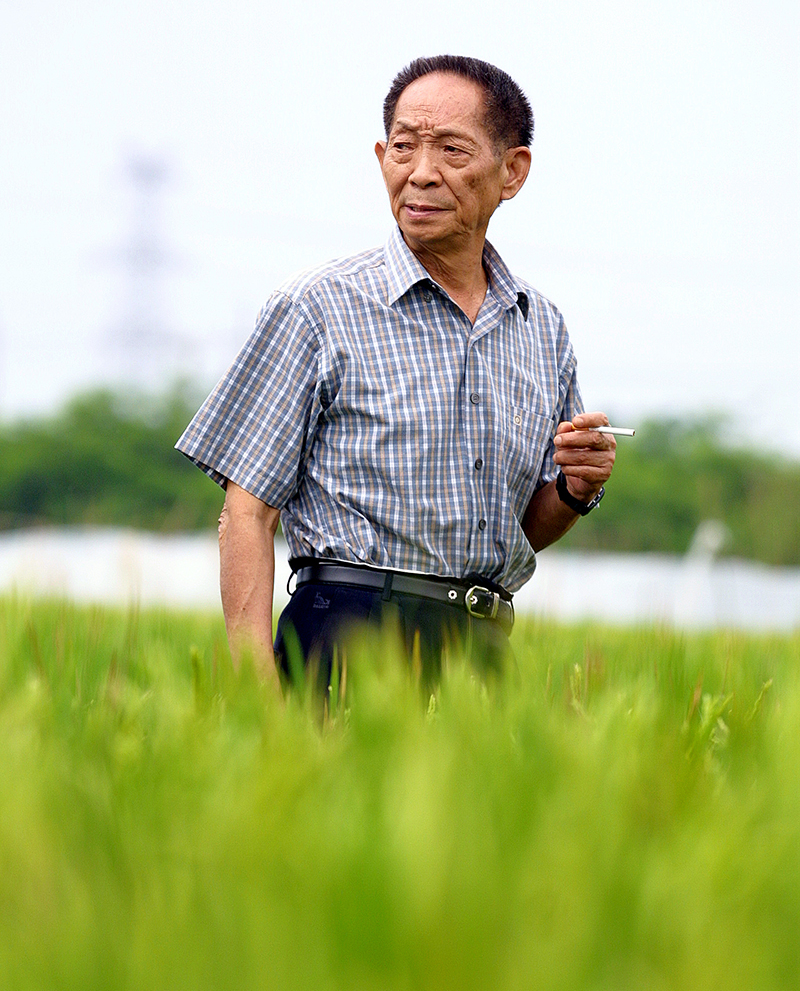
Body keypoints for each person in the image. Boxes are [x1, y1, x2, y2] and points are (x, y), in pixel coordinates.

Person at [176, 55, 616, 691]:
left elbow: (514, 529)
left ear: (512, 171)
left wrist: (575, 488)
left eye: (453, 151)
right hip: (348, 632)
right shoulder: (319, 306)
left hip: (481, 645)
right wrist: (256, 693)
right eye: (404, 147)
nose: (421, 174)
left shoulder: (540, 328)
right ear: (382, 154)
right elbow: (246, 516)